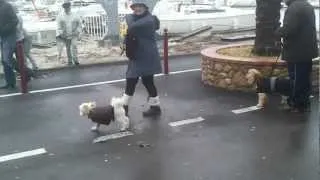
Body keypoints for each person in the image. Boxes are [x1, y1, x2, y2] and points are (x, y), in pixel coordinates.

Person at [120, 0, 162, 117]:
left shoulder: (148, 21)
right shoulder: (140, 19)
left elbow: (132, 26)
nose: (137, 9)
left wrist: (128, 16)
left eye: (140, 6)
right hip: (138, 56)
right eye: (135, 7)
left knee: (134, 80)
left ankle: (124, 109)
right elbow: (130, 34)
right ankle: (155, 107)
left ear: (145, 8)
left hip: (146, 57)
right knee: (143, 81)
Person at [276, 0, 318, 112]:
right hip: (307, 50)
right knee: (304, 78)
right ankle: (304, 103)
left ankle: (297, 104)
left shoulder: (294, 8)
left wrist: (278, 31)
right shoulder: (306, 5)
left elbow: (289, 29)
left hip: (296, 51)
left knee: (296, 78)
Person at [56, 0, 81, 66]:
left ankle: (76, 60)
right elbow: (58, 26)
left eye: (68, 6)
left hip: (74, 34)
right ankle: (70, 61)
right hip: (65, 35)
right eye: (65, 7)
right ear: (63, 7)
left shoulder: (75, 15)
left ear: (70, 7)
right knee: (68, 48)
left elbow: (80, 24)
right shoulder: (60, 16)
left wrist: (77, 31)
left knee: (74, 46)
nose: (67, 8)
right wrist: (61, 33)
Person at [0, 0, 19, 89]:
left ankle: (26, 72)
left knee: (6, 59)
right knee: (6, 60)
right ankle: (10, 82)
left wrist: (4, 29)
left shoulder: (6, 6)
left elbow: (15, 20)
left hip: (9, 36)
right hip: (2, 37)